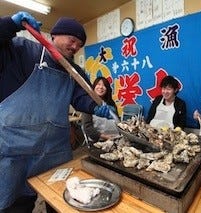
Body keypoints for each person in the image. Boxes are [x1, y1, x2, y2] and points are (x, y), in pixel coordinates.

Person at [0, 12, 115, 212]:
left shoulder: (74, 71)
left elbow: (83, 97)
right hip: (15, 149)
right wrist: (9, 24)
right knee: (16, 204)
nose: (75, 47)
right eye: (72, 40)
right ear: (55, 35)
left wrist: (96, 106)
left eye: (80, 44)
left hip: (53, 151)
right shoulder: (22, 50)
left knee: (60, 201)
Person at [82, 77, 120, 142]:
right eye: (98, 84)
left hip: (116, 138)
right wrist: (105, 137)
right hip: (99, 141)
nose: (101, 87)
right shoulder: (88, 104)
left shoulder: (111, 103)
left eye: (104, 85)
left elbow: (117, 121)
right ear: (93, 87)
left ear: (107, 89)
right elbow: (87, 127)